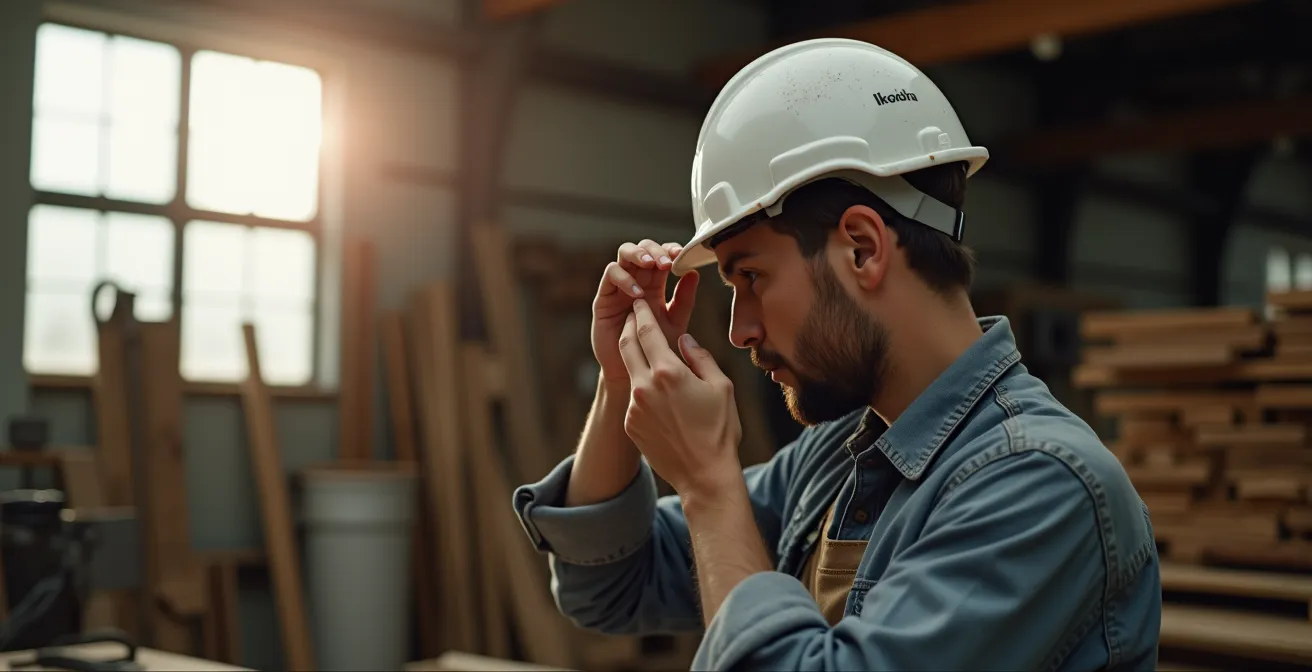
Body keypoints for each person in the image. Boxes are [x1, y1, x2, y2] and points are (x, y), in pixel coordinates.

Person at [511, 38, 1161, 670]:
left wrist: (710, 486)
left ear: (862, 249)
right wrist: (619, 381)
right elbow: (610, 586)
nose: (738, 330)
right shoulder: (839, 456)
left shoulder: (1040, 487)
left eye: (751, 278)